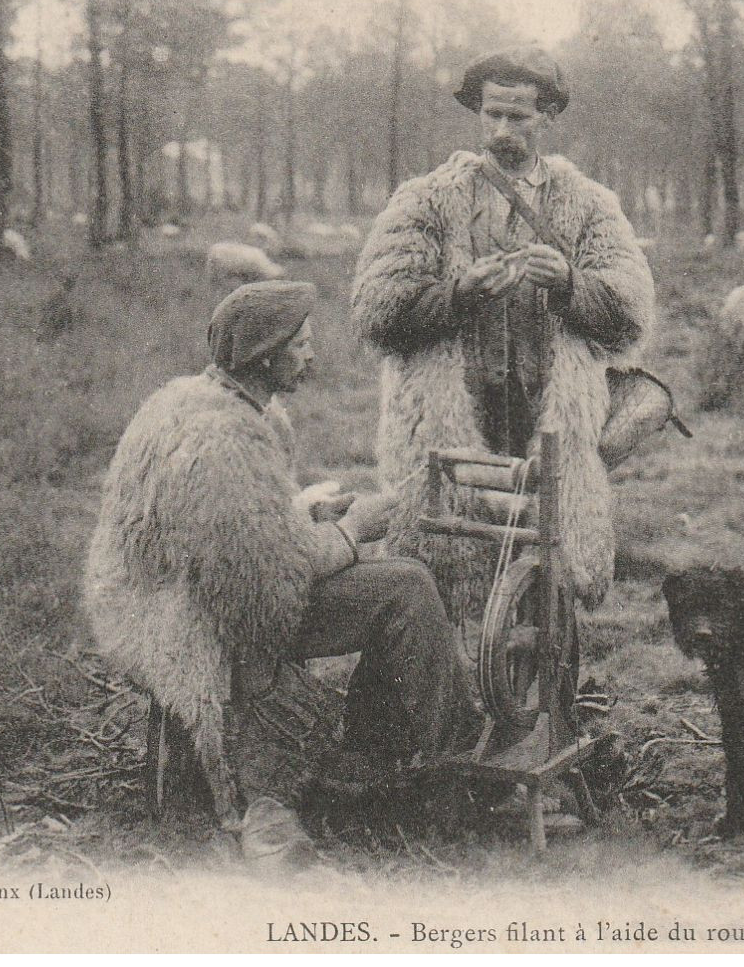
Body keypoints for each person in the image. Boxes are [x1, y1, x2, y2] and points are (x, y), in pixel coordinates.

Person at [82, 280, 480, 866]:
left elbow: (235, 532)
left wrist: (308, 513)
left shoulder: (196, 401)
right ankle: (443, 762)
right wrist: (352, 531)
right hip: (195, 623)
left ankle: (369, 750)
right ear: (265, 355)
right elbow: (266, 584)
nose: (312, 356)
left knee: (394, 582)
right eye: (301, 345)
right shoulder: (225, 439)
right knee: (407, 586)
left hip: (161, 599)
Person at [351, 46, 656, 620]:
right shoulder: (427, 199)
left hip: (548, 413)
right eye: (492, 113)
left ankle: (550, 689)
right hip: (455, 415)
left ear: (549, 117)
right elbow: (376, 310)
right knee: (443, 561)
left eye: (518, 116)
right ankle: (457, 688)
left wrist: (570, 283)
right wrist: (457, 294)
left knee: (550, 559)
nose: (502, 129)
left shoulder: (588, 206)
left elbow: (630, 315)